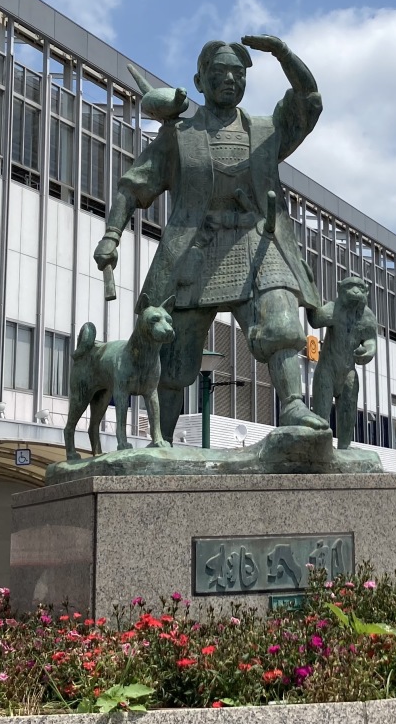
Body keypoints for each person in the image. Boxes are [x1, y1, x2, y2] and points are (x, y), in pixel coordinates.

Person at [93, 35, 329, 437]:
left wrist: (284, 55)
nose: (230, 79)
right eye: (219, 72)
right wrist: (111, 235)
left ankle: (292, 407)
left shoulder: (266, 131)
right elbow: (133, 186)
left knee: (283, 323)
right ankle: (160, 440)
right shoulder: (179, 135)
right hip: (195, 252)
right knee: (172, 362)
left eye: (238, 73)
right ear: (199, 81)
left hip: (257, 243)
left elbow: (309, 101)